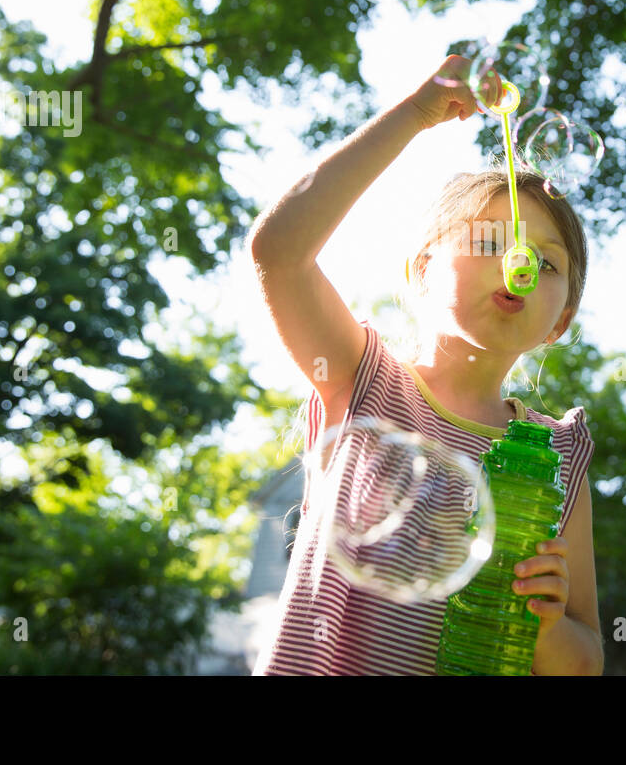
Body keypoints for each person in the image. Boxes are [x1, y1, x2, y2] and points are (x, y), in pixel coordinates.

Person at [248, 55, 603, 675]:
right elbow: (279, 253)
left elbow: (585, 658)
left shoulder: (556, 452)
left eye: (546, 263)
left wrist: (548, 622)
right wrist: (414, 116)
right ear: (421, 270)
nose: (516, 263)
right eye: (488, 241)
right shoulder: (366, 383)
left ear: (560, 322)